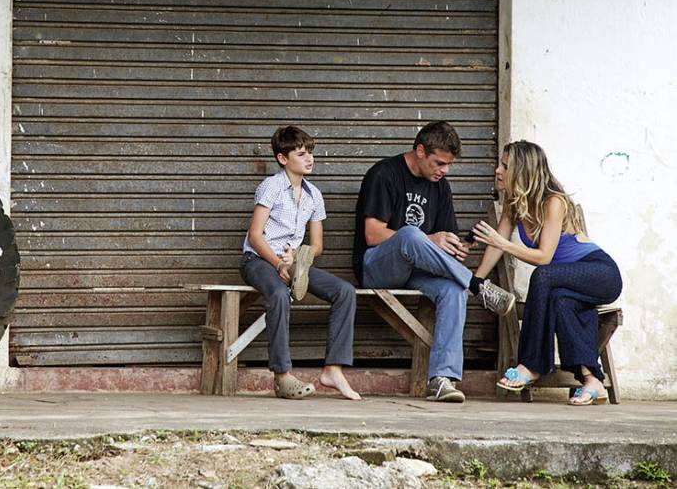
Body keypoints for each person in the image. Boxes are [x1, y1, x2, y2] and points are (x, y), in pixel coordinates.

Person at [352, 121, 515, 403]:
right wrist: (430, 240)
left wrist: (458, 245)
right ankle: (478, 285)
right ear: (419, 152)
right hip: (377, 267)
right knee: (410, 235)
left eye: (449, 165)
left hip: (416, 269)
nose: (444, 170)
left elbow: (441, 242)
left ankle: (441, 379)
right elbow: (372, 234)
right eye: (439, 163)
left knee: (454, 290)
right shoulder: (384, 174)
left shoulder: (440, 186)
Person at [471, 140, 622, 405]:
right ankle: (592, 380)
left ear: (523, 170)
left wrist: (502, 243)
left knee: (543, 275)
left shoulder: (554, 202)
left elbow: (544, 258)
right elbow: (496, 247)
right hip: (567, 282)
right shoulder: (514, 205)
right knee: (561, 301)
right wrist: (476, 280)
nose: (497, 170)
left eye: (505, 166)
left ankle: (530, 365)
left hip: (600, 273)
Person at [241, 125, 360, 400]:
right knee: (279, 293)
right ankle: (282, 376)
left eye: (311, 153)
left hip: (294, 262)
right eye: (302, 153)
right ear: (283, 159)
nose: (310, 158)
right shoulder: (271, 186)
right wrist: (278, 264)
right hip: (258, 259)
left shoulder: (313, 195)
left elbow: (318, 246)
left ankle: (333, 369)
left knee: (345, 292)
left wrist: (297, 258)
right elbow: (255, 235)